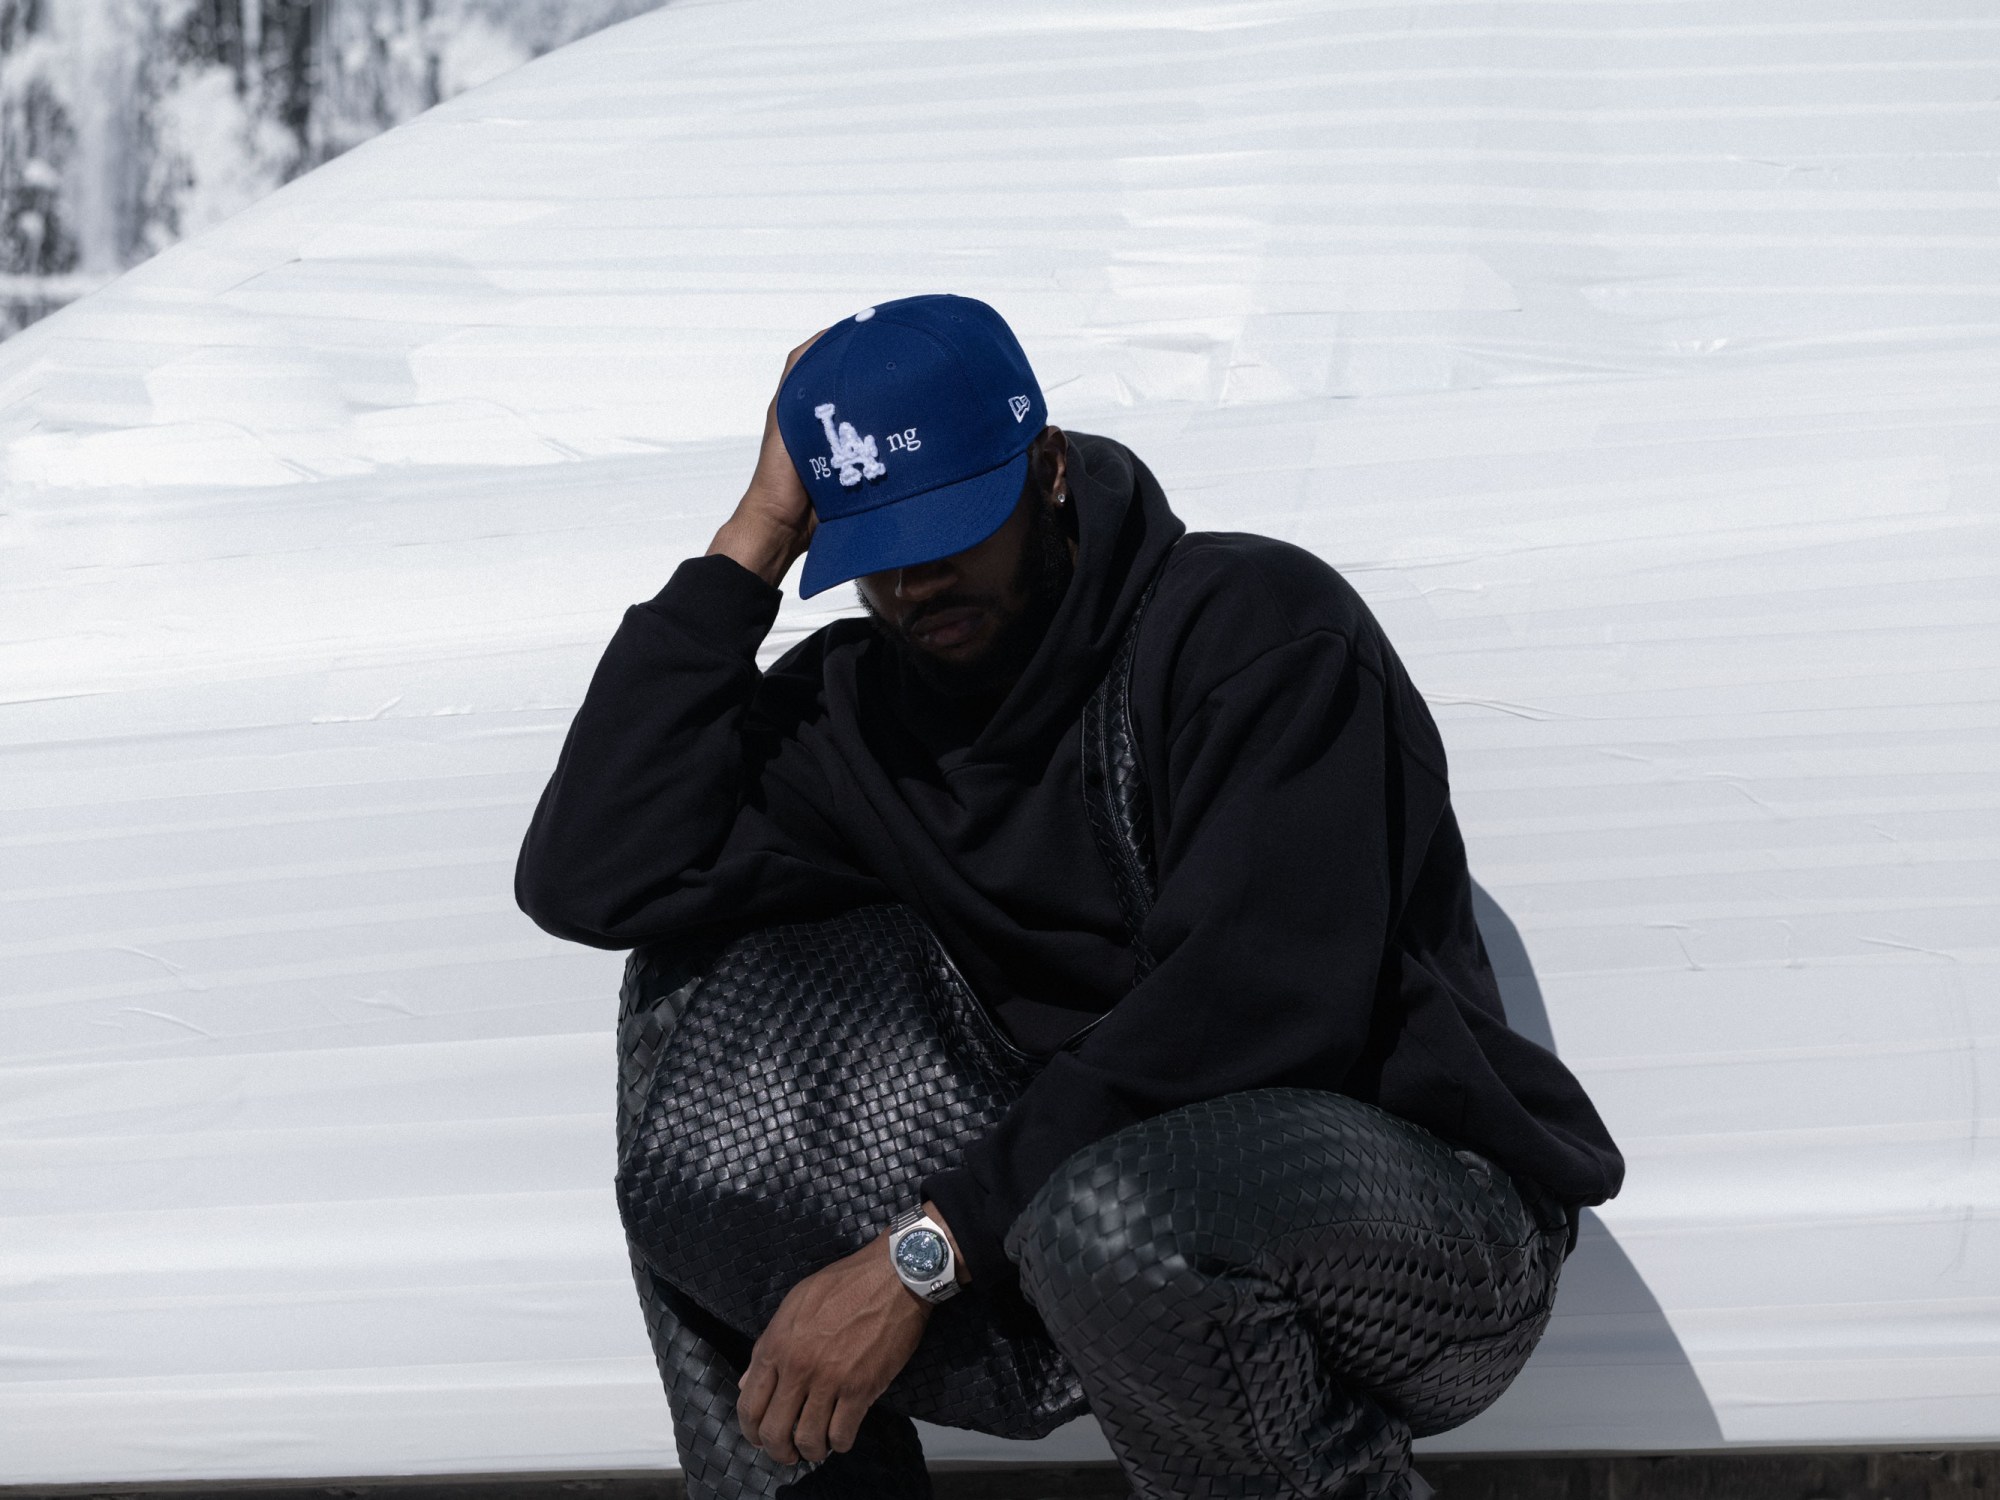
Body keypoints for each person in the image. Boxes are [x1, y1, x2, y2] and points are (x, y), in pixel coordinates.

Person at [516, 294, 1624, 1500]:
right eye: (876, 549)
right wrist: (753, 540)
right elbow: (595, 875)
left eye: (951, 528)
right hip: (1057, 1230)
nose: (917, 580)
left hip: (1420, 1229)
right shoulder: (860, 711)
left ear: (1044, 468)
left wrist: (924, 1252)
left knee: (1116, 1215)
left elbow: (1249, 1008)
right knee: (683, 1022)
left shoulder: (1251, 629)